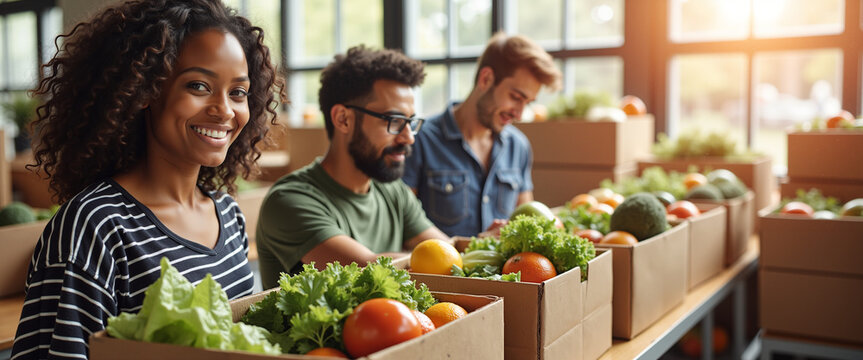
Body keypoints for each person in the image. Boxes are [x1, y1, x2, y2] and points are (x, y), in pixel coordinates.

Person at [11, 1, 284, 359]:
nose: (225, 110)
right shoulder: (95, 226)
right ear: (145, 90)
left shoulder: (227, 213)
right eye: (199, 86)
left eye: (238, 92)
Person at [256, 46, 449, 289]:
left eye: (410, 122)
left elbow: (446, 251)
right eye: (394, 121)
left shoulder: (392, 191)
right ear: (343, 119)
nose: (408, 137)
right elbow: (370, 269)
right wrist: (442, 254)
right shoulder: (290, 201)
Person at [402, 32, 562, 237]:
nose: (520, 114)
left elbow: (527, 221)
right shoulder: (419, 140)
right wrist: (477, 245)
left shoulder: (518, 146)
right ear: (486, 79)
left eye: (528, 102)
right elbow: (404, 229)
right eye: (515, 97)